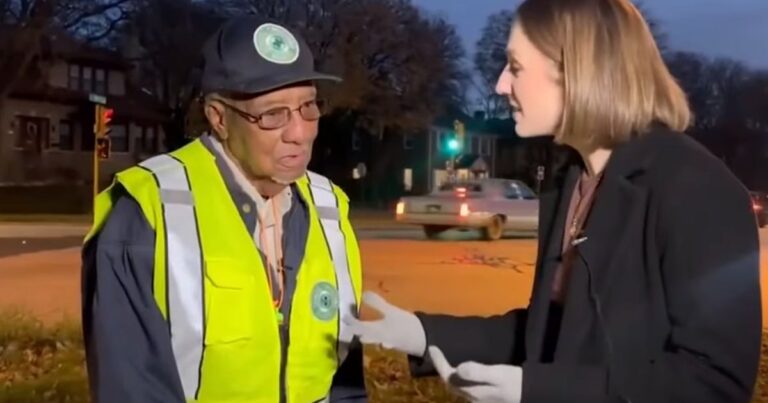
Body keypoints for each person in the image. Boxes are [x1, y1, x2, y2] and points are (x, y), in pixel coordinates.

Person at [347, 0, 762, 402]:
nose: (500, 85)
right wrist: (420, 332)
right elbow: (551, 332)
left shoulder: (696, 188)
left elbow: (714, 381)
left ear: (577, 70)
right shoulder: (572, 183)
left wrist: (537, 390)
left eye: (515, 66)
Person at [81, 16, 367, 403]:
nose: (299, 132)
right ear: (219, 117)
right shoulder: (147, 213)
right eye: (273, 114)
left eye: (308, 107)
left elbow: (345, 384)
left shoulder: (330, 208)